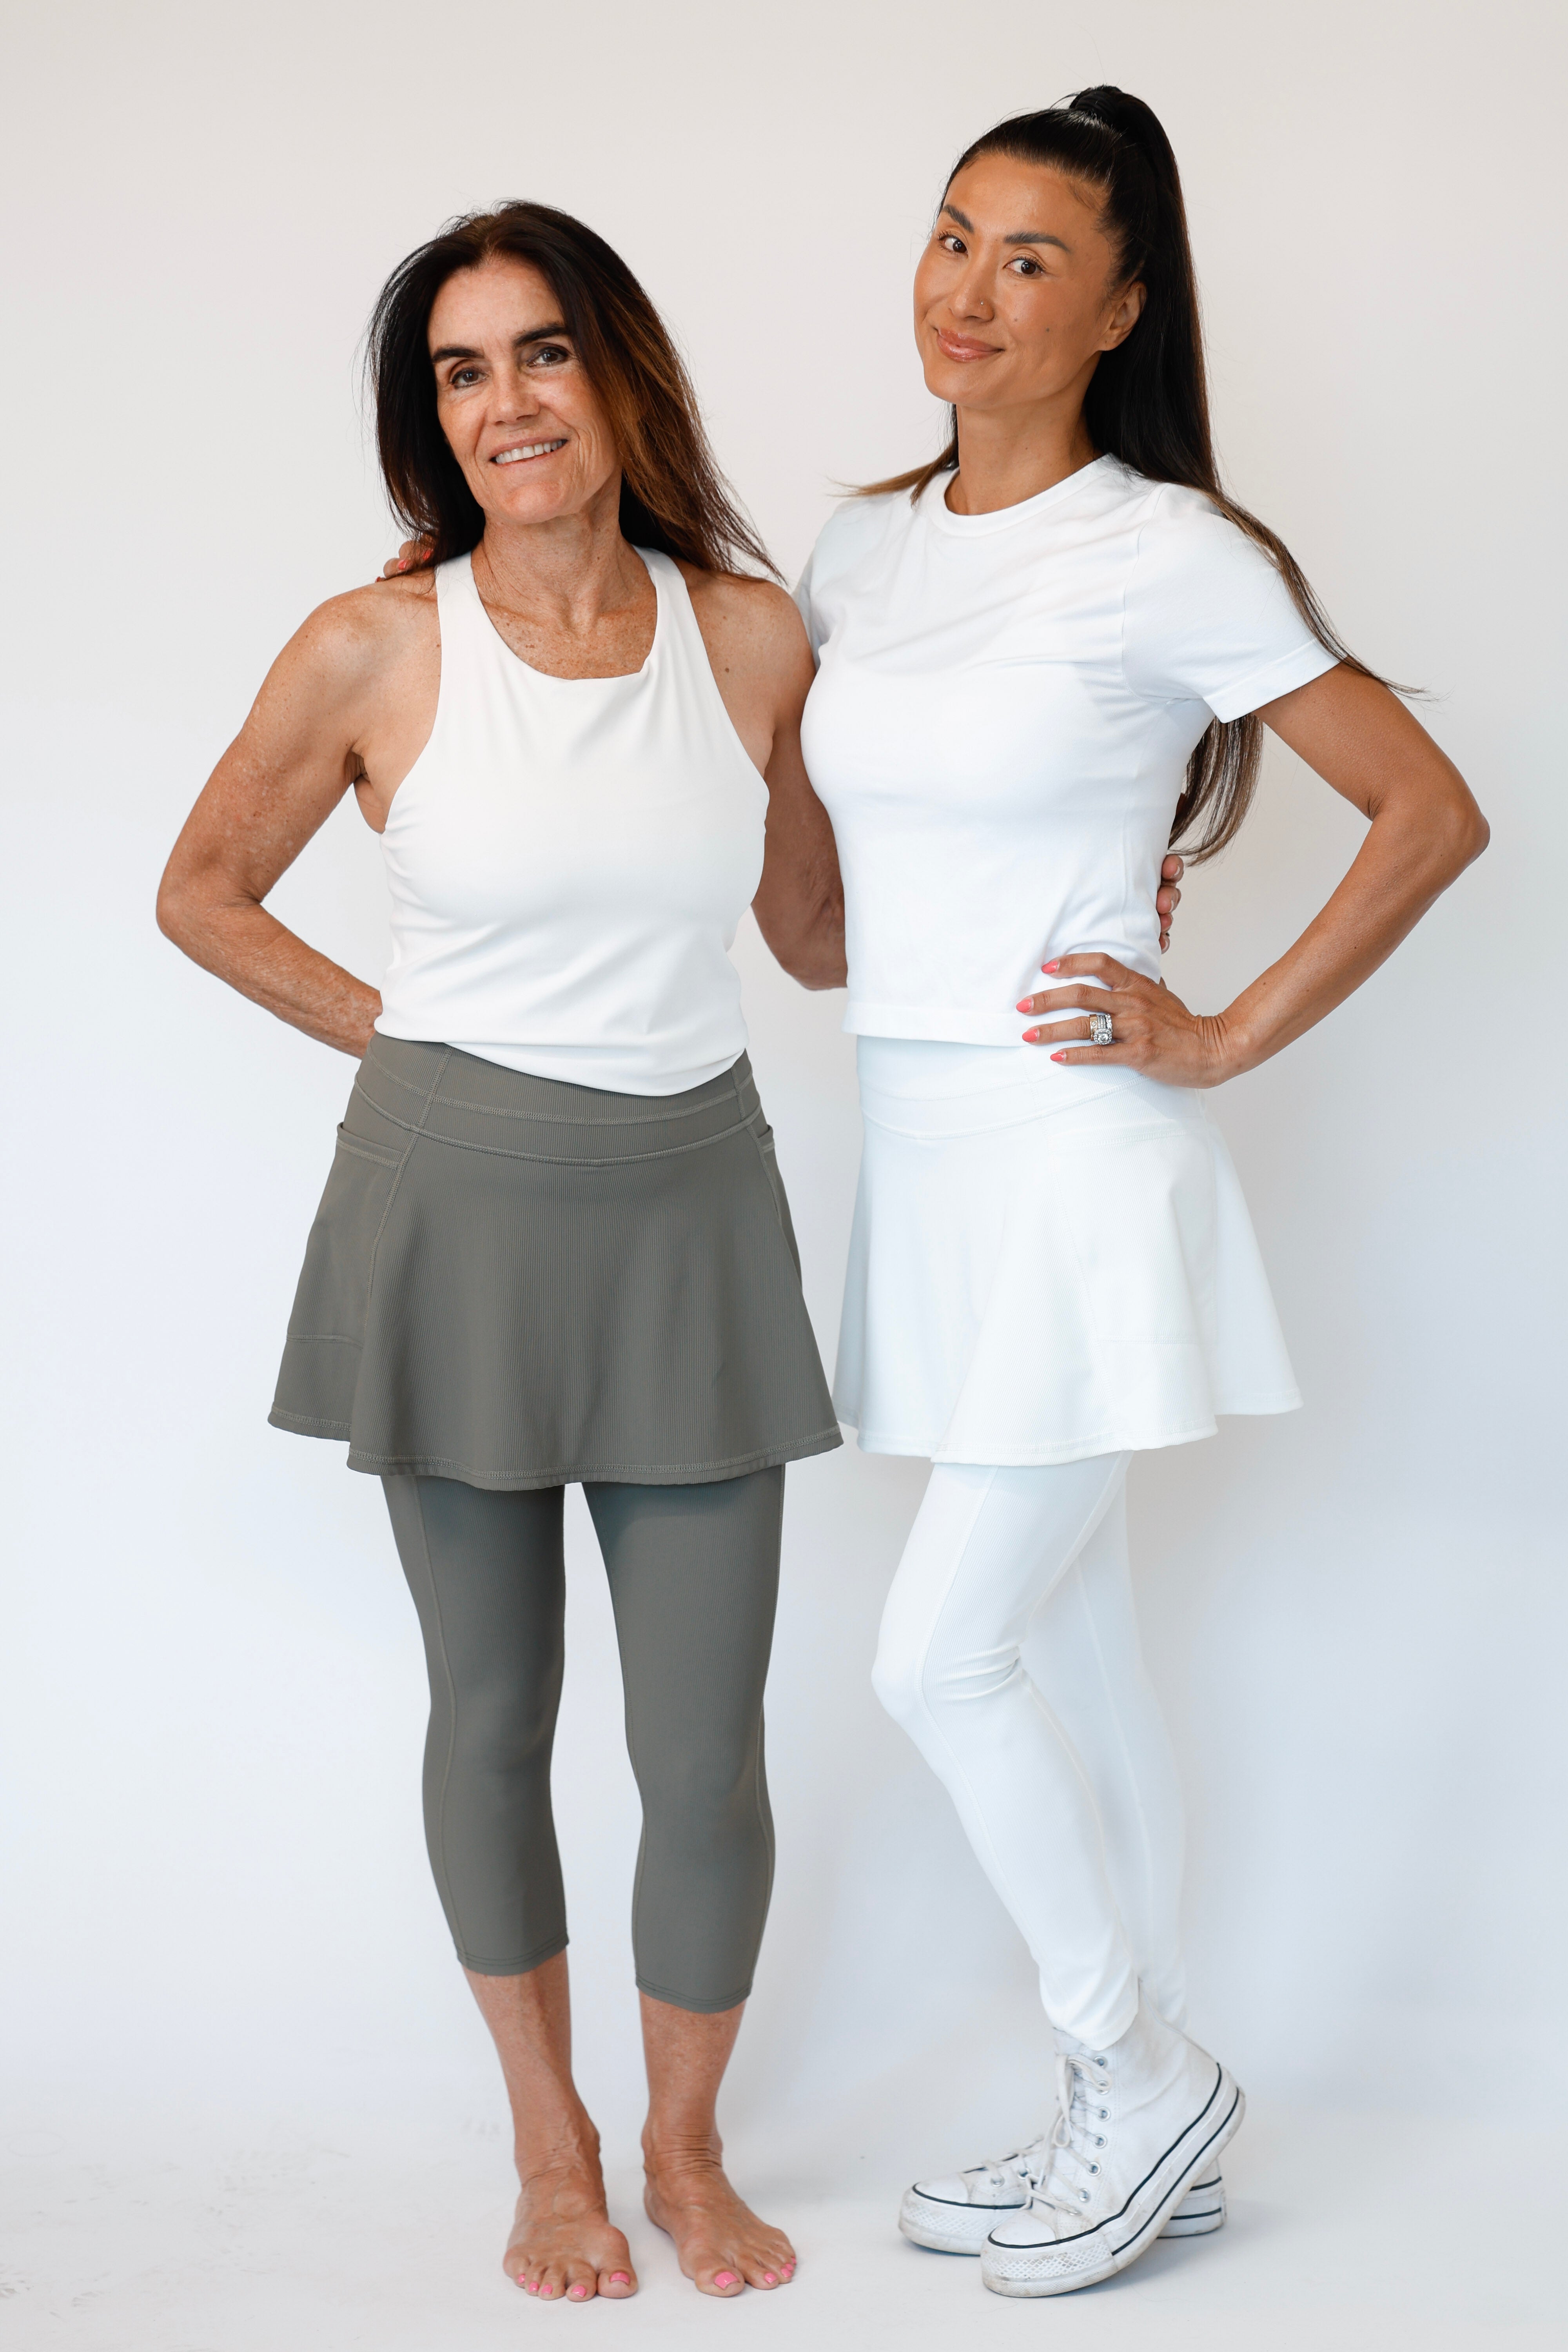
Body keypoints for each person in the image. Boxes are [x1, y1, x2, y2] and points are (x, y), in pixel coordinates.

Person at [793, 87, 1487, 2298]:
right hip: (923, 1155)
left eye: (1031, 259)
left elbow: (1428, 811)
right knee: (1072, 1657)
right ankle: (1142, 2122)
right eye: (952, 236)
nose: (971, 290)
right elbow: (825, 905)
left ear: (1119, 310)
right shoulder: (857, 550)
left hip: (1077, 1157)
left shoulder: (1167, 553)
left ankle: (1139, 2062)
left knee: (944, 1656)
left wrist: (1224, 1031)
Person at [156, 202, 851, 2305]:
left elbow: (820, 936)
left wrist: (1087, 895)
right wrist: (418, 1041)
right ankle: (554, 2149)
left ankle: (685, 2146)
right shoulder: (374, 648)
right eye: (462, 372)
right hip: (450, 1210)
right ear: (432, 419)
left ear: (620, 371)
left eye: (541, 352)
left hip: (693, 1215)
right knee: (493, 1713)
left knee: (706, 1745)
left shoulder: (751, 638)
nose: (507, 404)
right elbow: (203, 891)